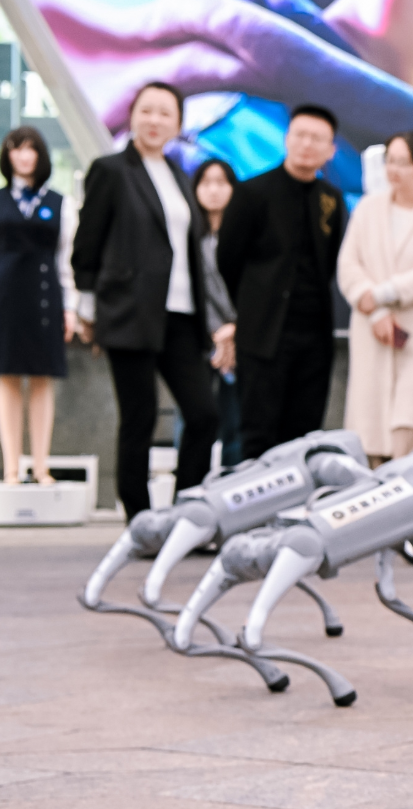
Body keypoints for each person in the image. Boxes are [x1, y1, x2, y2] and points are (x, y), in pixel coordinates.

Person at [73, 82, 217, 521]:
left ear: (179, 123)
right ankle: (140, 521)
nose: (155, 121)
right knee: (140, 418)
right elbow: (88, 242)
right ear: (133, 116)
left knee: (203, 415)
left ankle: (184, 515)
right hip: (129, 311)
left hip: (182, 314)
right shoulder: (111, 170)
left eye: (165, 113)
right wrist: (87, 306)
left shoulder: (178, 173)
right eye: (147, 111)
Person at [217, 104, 346, 460]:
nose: (307, 144)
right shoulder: (252, 192)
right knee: (258, 433)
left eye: (317, 139)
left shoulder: (331, 199)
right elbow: (228, 259)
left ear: (330, 149)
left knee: (303, 436)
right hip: (263, 334)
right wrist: (250, 307)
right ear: (287, 139)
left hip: (314, 336)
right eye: (300, 135)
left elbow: (330, 262)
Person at [338, 131, 413, 464]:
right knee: (370, 417)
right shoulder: (368, 208)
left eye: (404, 163)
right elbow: (349, 265)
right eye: (390, 161)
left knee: (411, 415)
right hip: (372, 327)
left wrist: (382, 294)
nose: (394, 170)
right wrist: (376, 311)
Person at [0, 127, 79, 487]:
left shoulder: (61, 203)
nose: (23, 156)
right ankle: (11, 468)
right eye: (16, 149)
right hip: (5, 298)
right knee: (7, 379)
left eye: (31, 149)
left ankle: (41, 466)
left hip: (45, 298)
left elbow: (66, 260)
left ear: (41, 155)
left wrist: (70, 308)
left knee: (42, 379)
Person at [193, 158, 241, 467]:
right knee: (195, 416)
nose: (213, 191)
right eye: (206, 182)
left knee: (236, 421)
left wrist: (234, 329)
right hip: (200, 338)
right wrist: (215, 333)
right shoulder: (188, 238)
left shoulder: (246, 236)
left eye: (221, 183)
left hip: (240, 338)